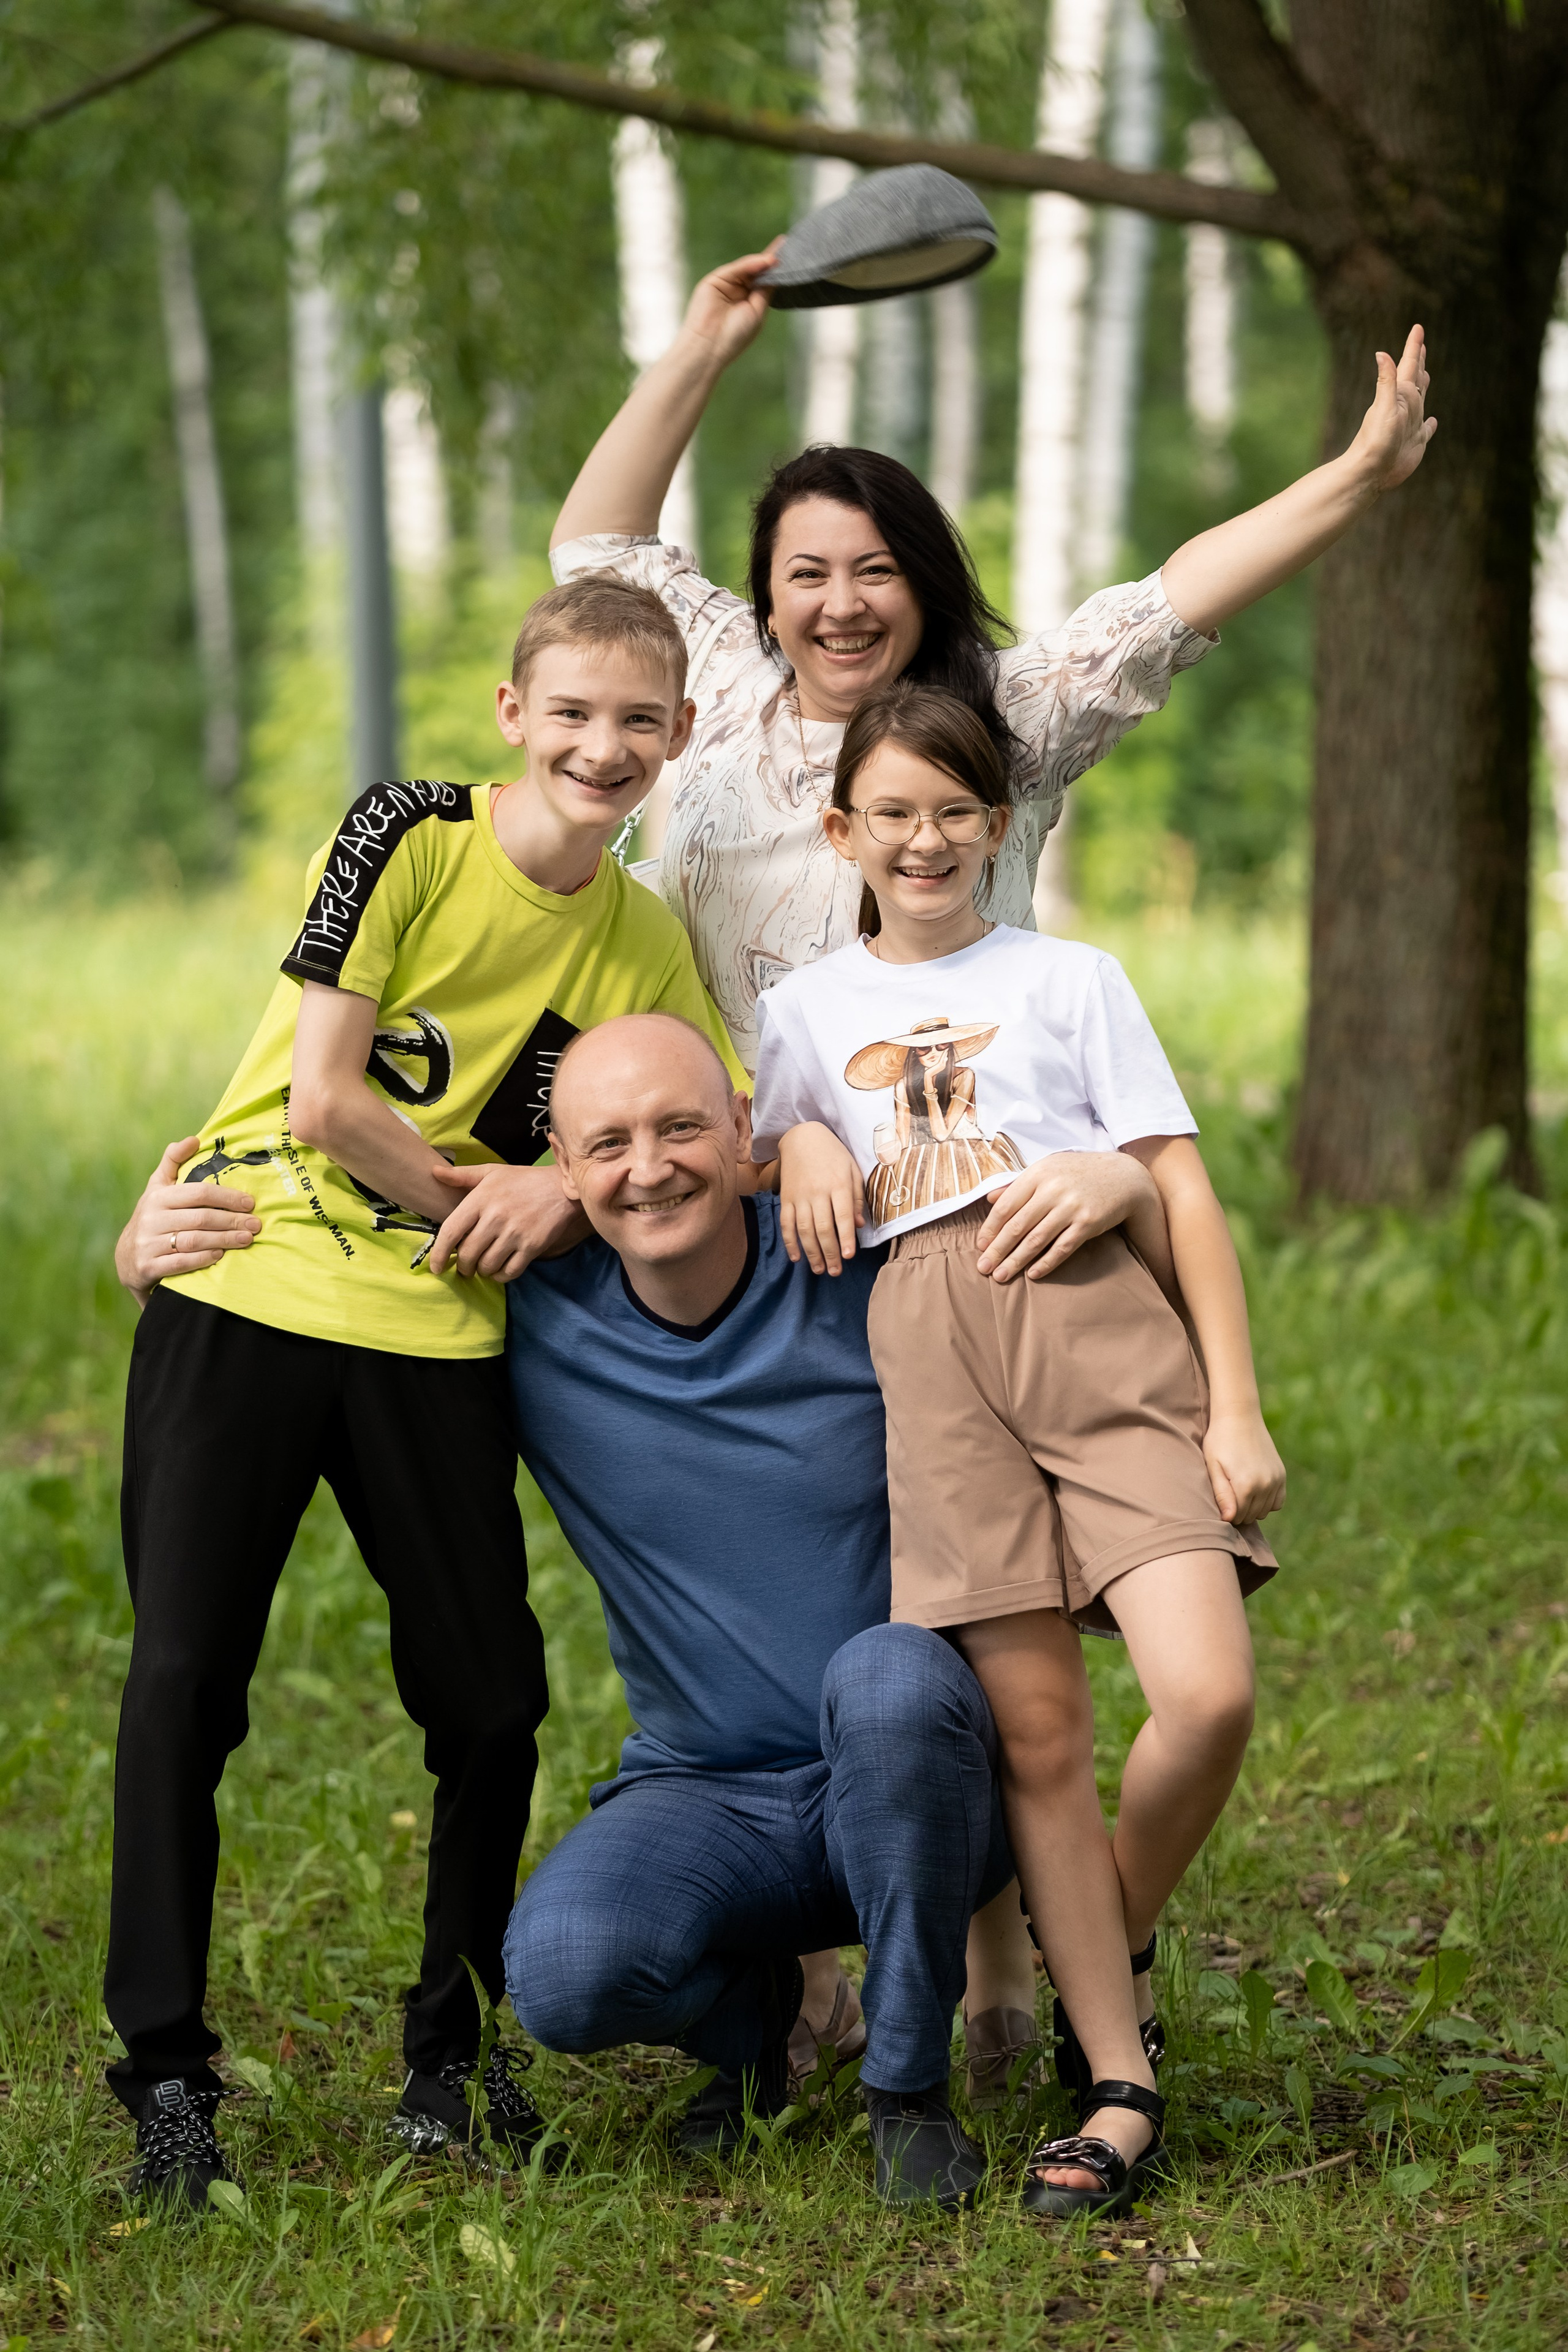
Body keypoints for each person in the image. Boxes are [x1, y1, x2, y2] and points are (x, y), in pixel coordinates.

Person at [547, 244, 1434, 2070]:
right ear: (770, 596)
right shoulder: (710, 695)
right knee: (812, 1578)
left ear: (922, 584)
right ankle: (818, 1933)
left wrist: (1351, 477)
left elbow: (1172, 600)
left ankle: (1018, 1947)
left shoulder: (986, 727)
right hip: (752, 1204)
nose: (839, 601)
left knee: (959, 1608)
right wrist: (705, 346)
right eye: (808, 573)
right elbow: (594, 548)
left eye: (874, 569)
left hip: (978, 1234)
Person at [107, 578, 748, 2209]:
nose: (604, 746)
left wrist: (569, 1189)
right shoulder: (407, 828)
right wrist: (506, 1191)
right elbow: (324, 1098)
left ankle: (449, 2066)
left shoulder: (644, 938)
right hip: (248, 1273)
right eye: (576, 713)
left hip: (441, 1336)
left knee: (490, 1703)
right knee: (188, 1683)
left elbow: (711, 1128)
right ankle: (168, 2077)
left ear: (675, 740)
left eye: (639, 722)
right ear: (515, 715)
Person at [751, 681, 1285, 2218]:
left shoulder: (1068, 979)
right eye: (894, 815)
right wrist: (792, 1134)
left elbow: (1175, 1187)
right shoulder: (800, 1015)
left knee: (1206, 1694)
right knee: (1038, 1740)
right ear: (843, 831)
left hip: (1096, 1335)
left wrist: (1233, 1404)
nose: (926, 841)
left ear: (999, 824)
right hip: (929, 1356)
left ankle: (1089, 1936)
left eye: (956, 812)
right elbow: (751, 1146)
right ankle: (1116, 2081)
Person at [501, 1011, 1061, 2209]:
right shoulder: (532, 1318)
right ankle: (757, 2031)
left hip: (927, 1773)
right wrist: (158, 1249)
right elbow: (325, 1277)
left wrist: (1116, 1177)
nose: (647, 1168)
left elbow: (1025, 1223)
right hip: (706, 1793)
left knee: (887, 1675)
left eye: (680, 1127)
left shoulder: (851, 1258)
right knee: (562, 1973)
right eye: (606, 1144)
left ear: (744, 1130)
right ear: (559, 1168)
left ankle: (907, 2092)